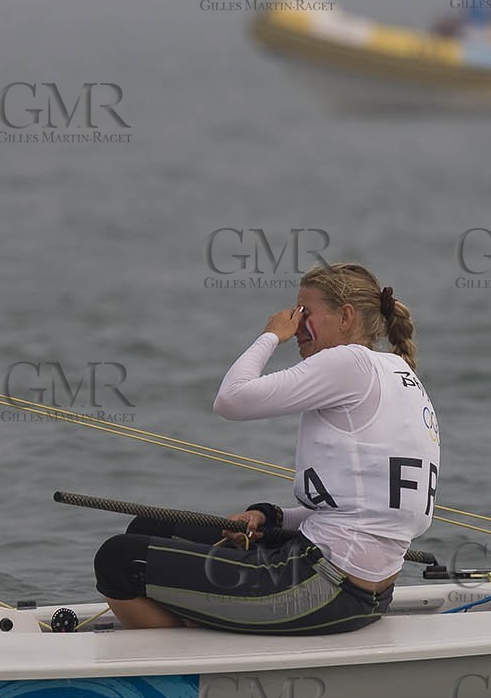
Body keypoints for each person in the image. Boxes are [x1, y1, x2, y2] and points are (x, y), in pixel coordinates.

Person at [93, 262, 439, 635]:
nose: (295, 323)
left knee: (118, 560)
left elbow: (231, 400)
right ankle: (198, 617)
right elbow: (361, 513)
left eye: (304, 313)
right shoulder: (401, 375)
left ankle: (186, 645)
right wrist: (271, 517)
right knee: (153, 527)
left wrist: (272, 335)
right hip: (364, 592)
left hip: (318, 587)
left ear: (346, 316)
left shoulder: (348, 362)